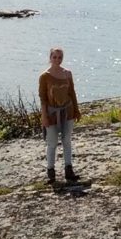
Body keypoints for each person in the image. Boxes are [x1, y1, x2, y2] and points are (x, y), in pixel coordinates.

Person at [38, 47, 81, 187]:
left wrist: (76, 110)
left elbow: (72, 93)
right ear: (50, 58)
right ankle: (51, 173)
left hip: (67, 111)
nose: (57, 59)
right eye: (54, 57)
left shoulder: (67, 73)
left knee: (67, 140)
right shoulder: (44, 76)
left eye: (59, 57)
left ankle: (69, 170)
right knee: (52, 143)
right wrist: (44, 116)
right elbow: (43, 98)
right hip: (51, 113)